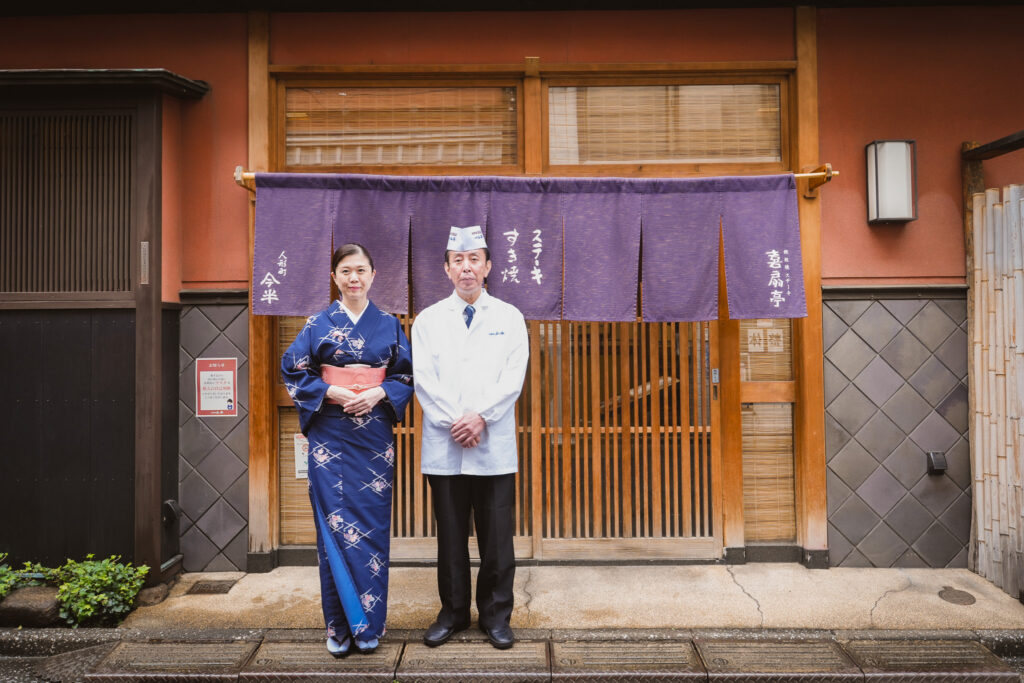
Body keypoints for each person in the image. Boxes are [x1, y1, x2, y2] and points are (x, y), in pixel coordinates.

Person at [281, 243, 413, 657]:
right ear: (335, 277)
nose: (353, 278)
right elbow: (292, 368)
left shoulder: (390, 325)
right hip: (331, 438)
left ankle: (369, 623)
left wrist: (377, 394)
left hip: (373, 439)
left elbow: (407, 376)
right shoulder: (318, 324)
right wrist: (332, 389)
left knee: (370, 530)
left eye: (360, 270)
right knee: (334, 531)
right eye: (345, 271)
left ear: (373, 275)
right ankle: (339, 625)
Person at [412, 226, 529, 650]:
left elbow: (512, 379)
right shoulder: (427, 320)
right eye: (458, 260)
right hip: (446, 446)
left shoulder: (510, 317)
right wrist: (455, 422)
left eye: (474, 259)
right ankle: (454, 612)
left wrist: (480, 418)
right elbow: (423, 381)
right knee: (451, 535)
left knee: (498, 536)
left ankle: (496, 615)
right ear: (446, 269)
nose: (467, 267)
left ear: (488, 267)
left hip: (492, 443)